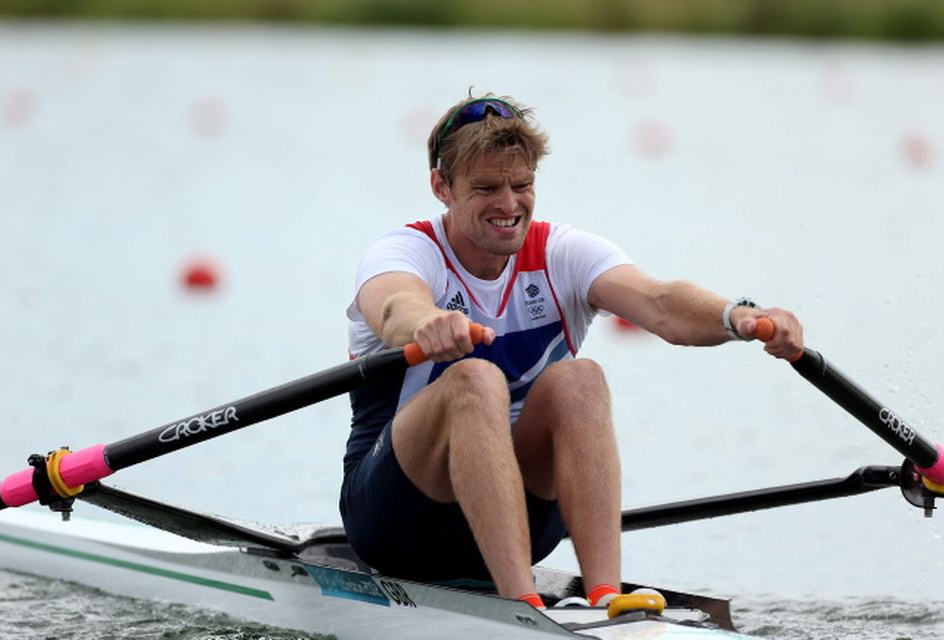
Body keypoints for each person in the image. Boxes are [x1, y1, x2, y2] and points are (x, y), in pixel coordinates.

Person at [340, 93, 803, 609]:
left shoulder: (563, 252)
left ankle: (606, 597)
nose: (509, 205)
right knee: (474, 378)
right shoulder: (405, 251)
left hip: (523, 519)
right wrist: (426, 323)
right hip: (397, 519)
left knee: (581, 378)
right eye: (487, 188)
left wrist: (740, 316)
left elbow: (662, 304)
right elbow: (393, 306)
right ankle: (524, 606)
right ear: (441, 187)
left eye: (522, 185)